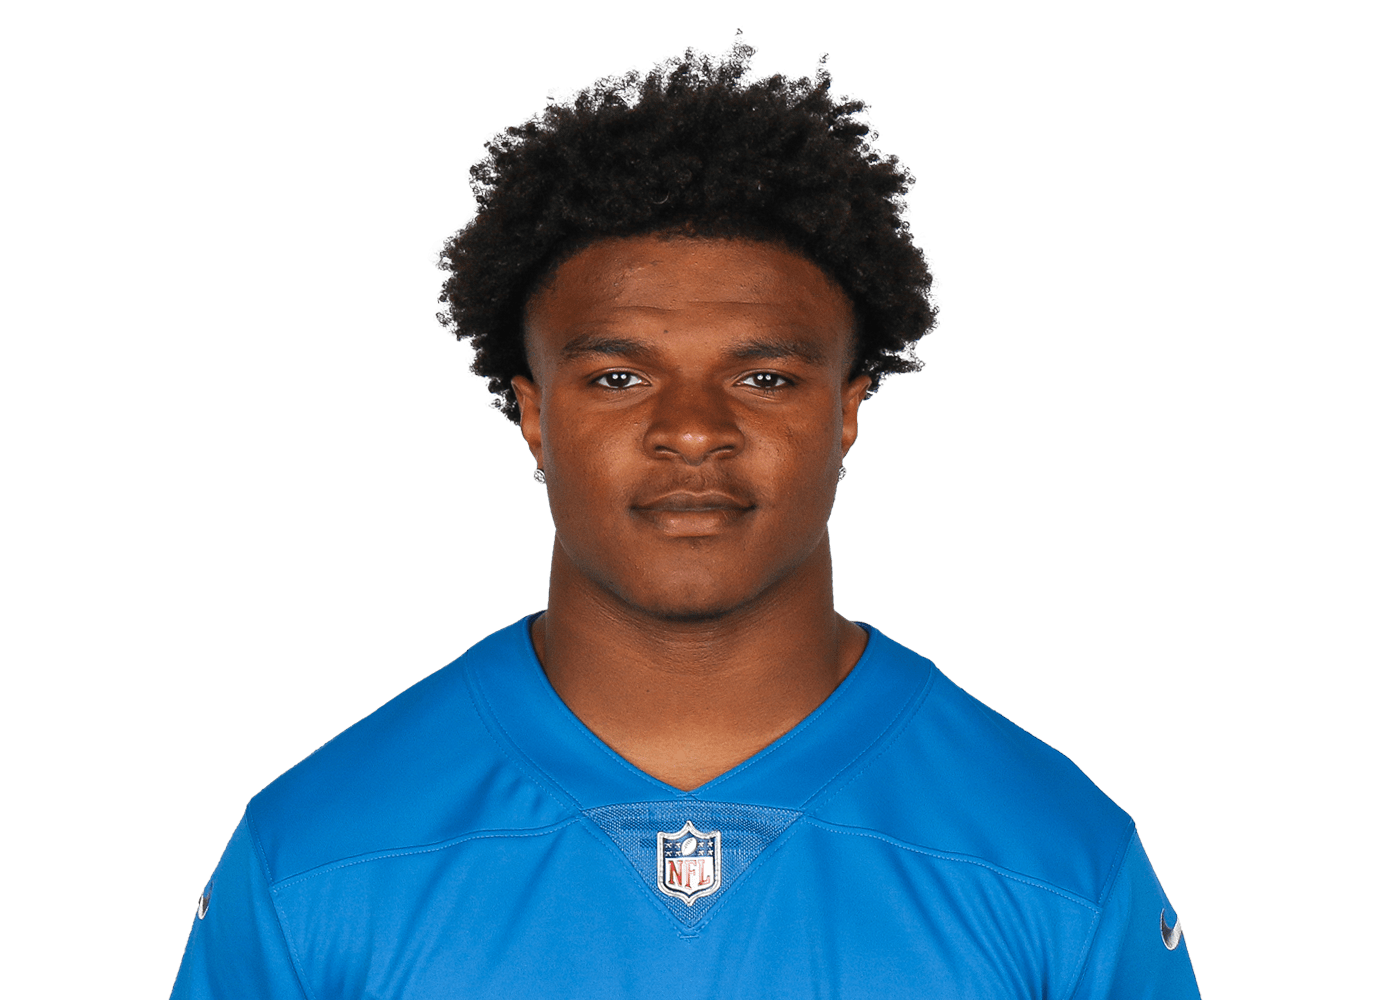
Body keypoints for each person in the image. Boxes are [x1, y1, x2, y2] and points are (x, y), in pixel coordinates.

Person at [171, 31, 1202, 999]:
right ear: (533, 415)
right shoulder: (317, 853)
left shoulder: (1056, 859)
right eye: (618, 377)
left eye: (763, 377)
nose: (693, 429)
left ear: (846, 410)